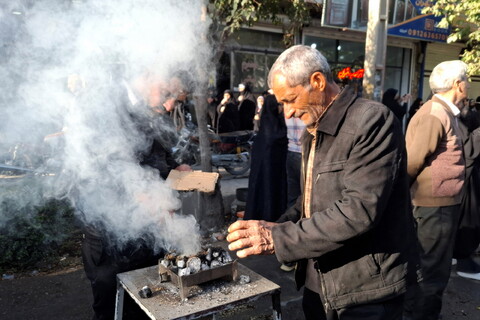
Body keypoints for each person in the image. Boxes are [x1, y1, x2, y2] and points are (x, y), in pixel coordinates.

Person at [227, 45, 412, 320]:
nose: (287, 113)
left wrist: (277, 238)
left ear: (317, 81)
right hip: (319, 279)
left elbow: (358, 211)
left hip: (365, 287)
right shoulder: (312, 130)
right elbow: (312, 197)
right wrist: (279, 224)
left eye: (290, 99)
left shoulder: (372, 121)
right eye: (282, 104)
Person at [82, 73, 191, 320]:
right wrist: (145, 197)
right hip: (111, 240)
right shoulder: (102, 104)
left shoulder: (146, 108)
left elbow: (156, 155)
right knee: (112, 311)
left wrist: (176, 168)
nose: (169, 105)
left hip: (148, 237)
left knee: (149, 307)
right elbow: (103, 170)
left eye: (174, 97)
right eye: (166, 94)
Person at [404, 60, 469, 320]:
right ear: (457, 84)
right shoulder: (435, 113)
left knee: (434, 269)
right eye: (467, 79)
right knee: (431, 270)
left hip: (441, 205)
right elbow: (411, 163)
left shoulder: (445, 111)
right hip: (433, 207)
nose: (469, 83)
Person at [244, 94, 288, 222]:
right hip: (271, 169)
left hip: (266, 169)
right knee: (270, 192)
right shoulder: (273, 124)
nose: (281, 107)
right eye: (279, 104)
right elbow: (277, 139)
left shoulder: (267, 122)